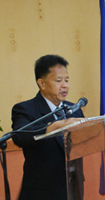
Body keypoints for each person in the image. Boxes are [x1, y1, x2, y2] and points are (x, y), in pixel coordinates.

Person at [11, 55, 85, 200]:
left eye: (67, 80)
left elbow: (85, 140)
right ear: (42, 83)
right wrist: (50, 128)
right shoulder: (25, 109)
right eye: (58, 81)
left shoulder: (74, 108)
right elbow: (19, 136)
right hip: (41, 192)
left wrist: (104, 125)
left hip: (72, 187)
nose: (65, 85)